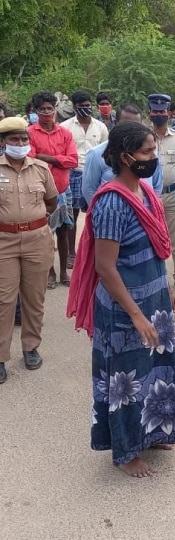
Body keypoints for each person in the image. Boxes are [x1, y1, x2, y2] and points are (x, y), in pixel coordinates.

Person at [67, 121, 175, 478]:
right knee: (127, 379)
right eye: (147, 152)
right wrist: (135, 315)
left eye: (153, 151)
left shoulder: (146, 193)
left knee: (157, 369)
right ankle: (125, 450)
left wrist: (167, 291)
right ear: (125, 157)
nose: (153, 157)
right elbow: (105, 267)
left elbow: (156, 252)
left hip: (154, 302)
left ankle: (152, 431)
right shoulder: (112, 204)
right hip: (124, 308)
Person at [0, 117, 58, 384]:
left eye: (24, 140)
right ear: (3, 143)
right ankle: (1, 357)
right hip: (4, 241)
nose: (20, 144)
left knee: (34, 298)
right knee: (4, 300)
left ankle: (31, 347)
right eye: (14, 140)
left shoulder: (41, 168)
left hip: (37, 238)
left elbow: (52, 201)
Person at [27, 91, 79, 289]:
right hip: (40, 192)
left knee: (64, 232)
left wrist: (48, 158)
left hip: (63, 189)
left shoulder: (65, 133)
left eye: (50, 108)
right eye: (42, 109)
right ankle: (50, 272)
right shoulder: (30, 133)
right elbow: (31, 161)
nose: (47, 112)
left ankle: (64, 272)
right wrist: (59, 159)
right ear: (36, 111)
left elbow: (73, 160)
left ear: (54, 109)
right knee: (46, 233)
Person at [61, 90, 109, 267]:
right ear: (74, 107)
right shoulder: (66, 127)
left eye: (88, 106)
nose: (85, 109)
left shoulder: (100, 127)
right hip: (74, 172)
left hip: (96, 174)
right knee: (71, 216)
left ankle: (96, 251)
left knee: (96, 213)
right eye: (81, 106)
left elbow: (106, 150)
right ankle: (71, 254)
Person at [147, 94, 175, 290]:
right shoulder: (142, 137)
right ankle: (155, 274)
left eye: (162, 111)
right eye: (155, 111)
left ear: (169, 114)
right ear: (149, 113)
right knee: (150, 236)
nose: (159, 115)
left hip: (173, 194)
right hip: (148, 196)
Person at [83, 104, 163, 201]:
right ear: (116, 123)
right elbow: (89, 190)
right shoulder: (96, 154)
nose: (132, 130)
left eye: (137, 126)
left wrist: (148, 208)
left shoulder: (151, 153)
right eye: (127, 125)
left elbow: (157, 186)